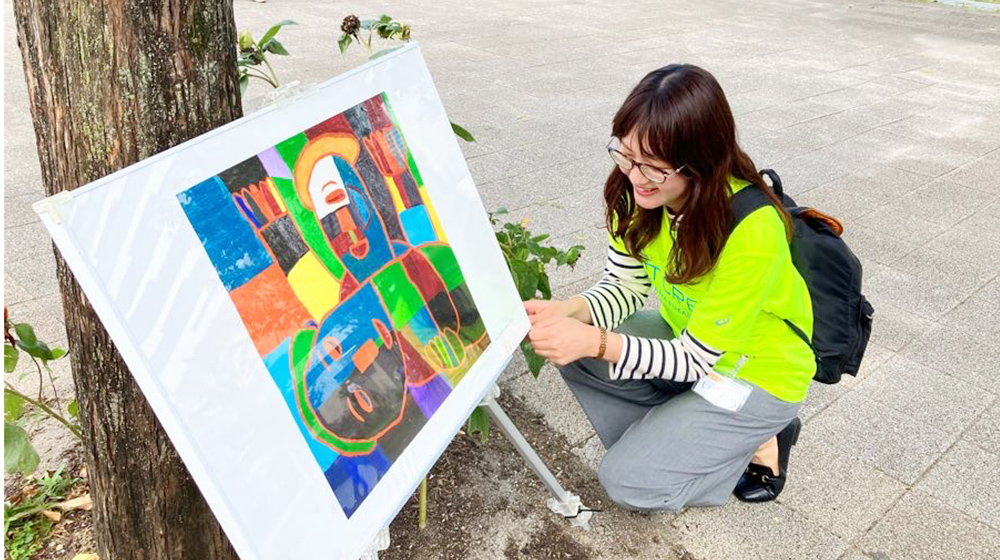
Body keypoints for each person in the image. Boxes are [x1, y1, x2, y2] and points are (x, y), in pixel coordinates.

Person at [523, 64, 815, 511]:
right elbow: (625, 285)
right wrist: (570, 311)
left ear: (700, 162)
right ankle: (685, 434)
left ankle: (758, 436)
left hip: (757, 370)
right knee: (573, 348)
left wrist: (596, 341)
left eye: (655, 168)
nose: (635, 176)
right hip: (690, 342)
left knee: (629, 483)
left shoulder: (752, 229)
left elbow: (695, 357)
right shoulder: (633, 193)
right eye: (625, 155)